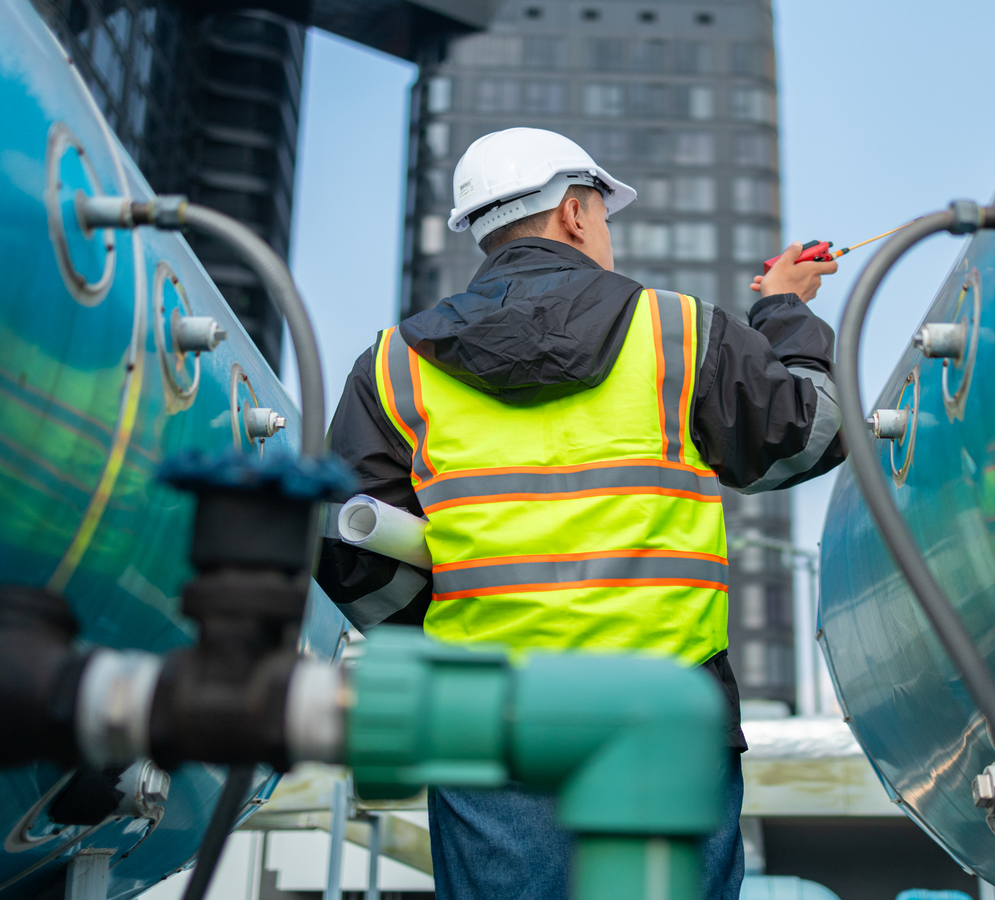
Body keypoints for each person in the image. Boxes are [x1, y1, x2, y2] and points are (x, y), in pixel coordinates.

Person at [318, 127, 845, 900]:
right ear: (573, 212)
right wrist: (782, 310)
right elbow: (814, 432)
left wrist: (440, 638)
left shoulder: (395, 366)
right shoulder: (680, 331)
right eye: (602, 213)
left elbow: (349, 551)